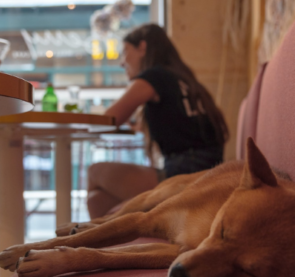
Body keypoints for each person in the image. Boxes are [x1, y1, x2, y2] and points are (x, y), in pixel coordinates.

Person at [87, 23, 229, 219]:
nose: (122, 62)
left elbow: (108, 120)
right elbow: (179, 126)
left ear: (142, 48)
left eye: (125, 52)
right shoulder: (183, 78)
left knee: (95, 172)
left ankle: (98, 243)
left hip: (185, 179)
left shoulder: (154, 76)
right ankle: (107, 244)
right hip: (208, 175)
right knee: (96, 200)